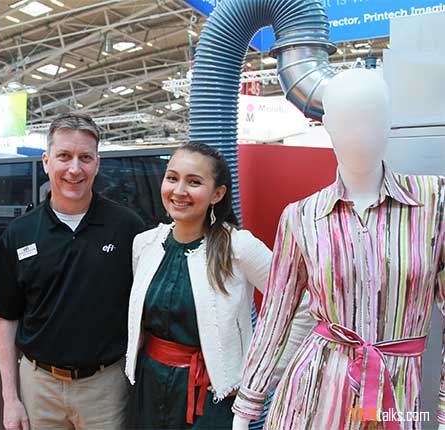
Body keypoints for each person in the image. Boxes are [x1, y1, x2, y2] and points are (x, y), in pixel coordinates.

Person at [232, 69, 445, 430]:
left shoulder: (434, 203)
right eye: (347, 121)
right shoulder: (302, 216)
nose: (360, 133)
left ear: (390, 121)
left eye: (372, 118)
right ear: (327, 124)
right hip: (314, 396)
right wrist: (246, 408)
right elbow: (275, 318)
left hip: (393, 397)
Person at [125, 142, 313, 429]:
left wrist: (259, 377)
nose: (179, 191)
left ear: (218, 193)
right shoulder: (146, 244)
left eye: (194, 182)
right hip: (148, 387)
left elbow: (305, 304)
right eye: (172, 178)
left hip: (211, 396)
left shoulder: (238, 247)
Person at [0, 113, 146, 430]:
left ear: (97, 164)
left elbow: (145, 309)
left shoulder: (128, 228)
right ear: (46, 162)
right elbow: (6, 319)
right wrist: (10, 399)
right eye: (64, 156)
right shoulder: (19, 234)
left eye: (85, 158)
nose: (74, 169)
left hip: (106, 388)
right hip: (39, 387)